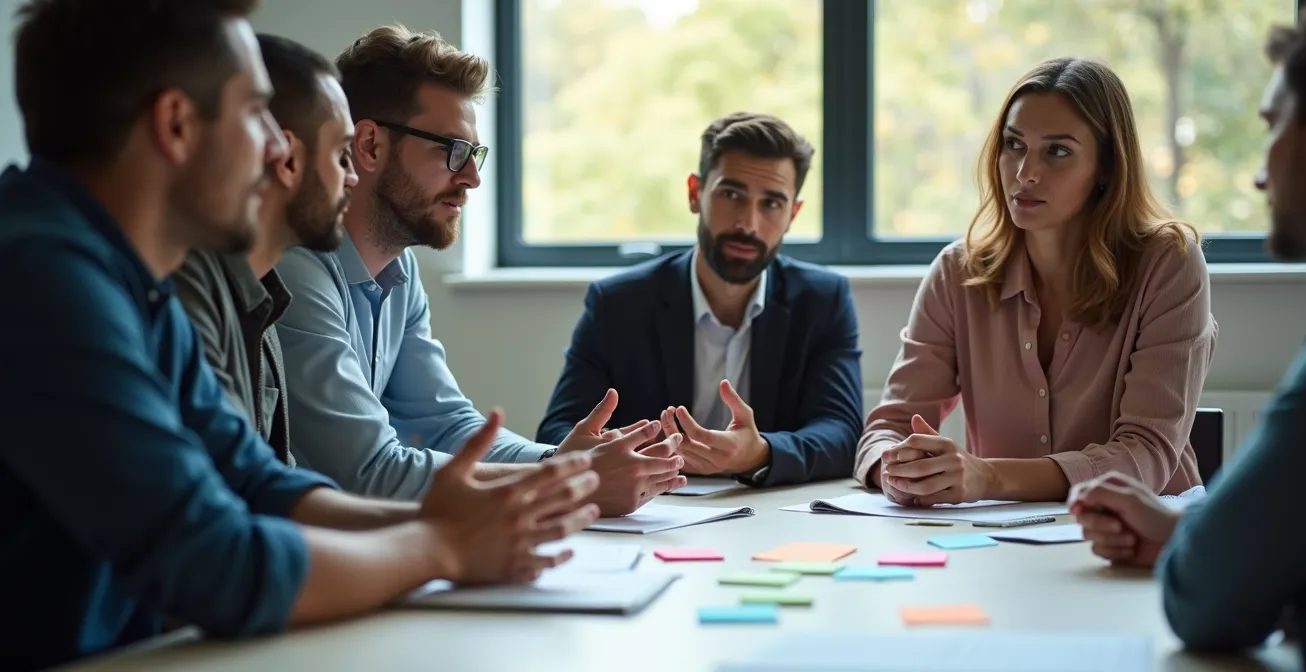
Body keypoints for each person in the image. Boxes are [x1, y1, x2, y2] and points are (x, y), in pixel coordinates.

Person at [0, 3, 598, 669]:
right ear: (176, 126)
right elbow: (214, 560)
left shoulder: (128, 274)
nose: (279, 146)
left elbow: (259, 482)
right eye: (257, 113)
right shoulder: (38, 278)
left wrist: (455, 525)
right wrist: (442, 547)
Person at [274, 24, 685, 512]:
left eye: (474, 154)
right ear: (369, 146)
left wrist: (565, 460)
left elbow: (448, 426)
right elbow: (368, 471)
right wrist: (569, 479)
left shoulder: (399, 273)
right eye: (453, 151)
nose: (472, 178)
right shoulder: (295, 270)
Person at [854, 57, 1217, 505]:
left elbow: (1146, 454)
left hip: (1143, 538)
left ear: (1106, 166)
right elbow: (889, 427)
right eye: (1013, 144)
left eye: (1057, 151)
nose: (1025, 172)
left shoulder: (1169, 263)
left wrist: (987, 477)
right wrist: (898, 469)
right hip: (1002, 543)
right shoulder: (957, 271)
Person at [1071, 11, 1306, 660]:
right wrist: (1185, 527)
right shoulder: (957, 267)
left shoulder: (1169, 258)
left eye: (1272, 126)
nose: (1261, 174)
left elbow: (1205, 601)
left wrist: (1191, 547)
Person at [536, 112, 863, 487]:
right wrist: (622, 453)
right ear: (695, 194)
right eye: (731, 194)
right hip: (651, 508)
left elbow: (843, 433)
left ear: (793, 214)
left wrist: (759, 454)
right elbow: (558, 433)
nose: (748, 223)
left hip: (770, 509)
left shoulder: (823, 300)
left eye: (771, 203)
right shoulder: (618, 303)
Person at [174, 34, 358, 464]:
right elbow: (230, 497)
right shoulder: (187, 283)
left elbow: (273, 484)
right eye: (341, 155)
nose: (352, 177)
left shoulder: (265, 297)